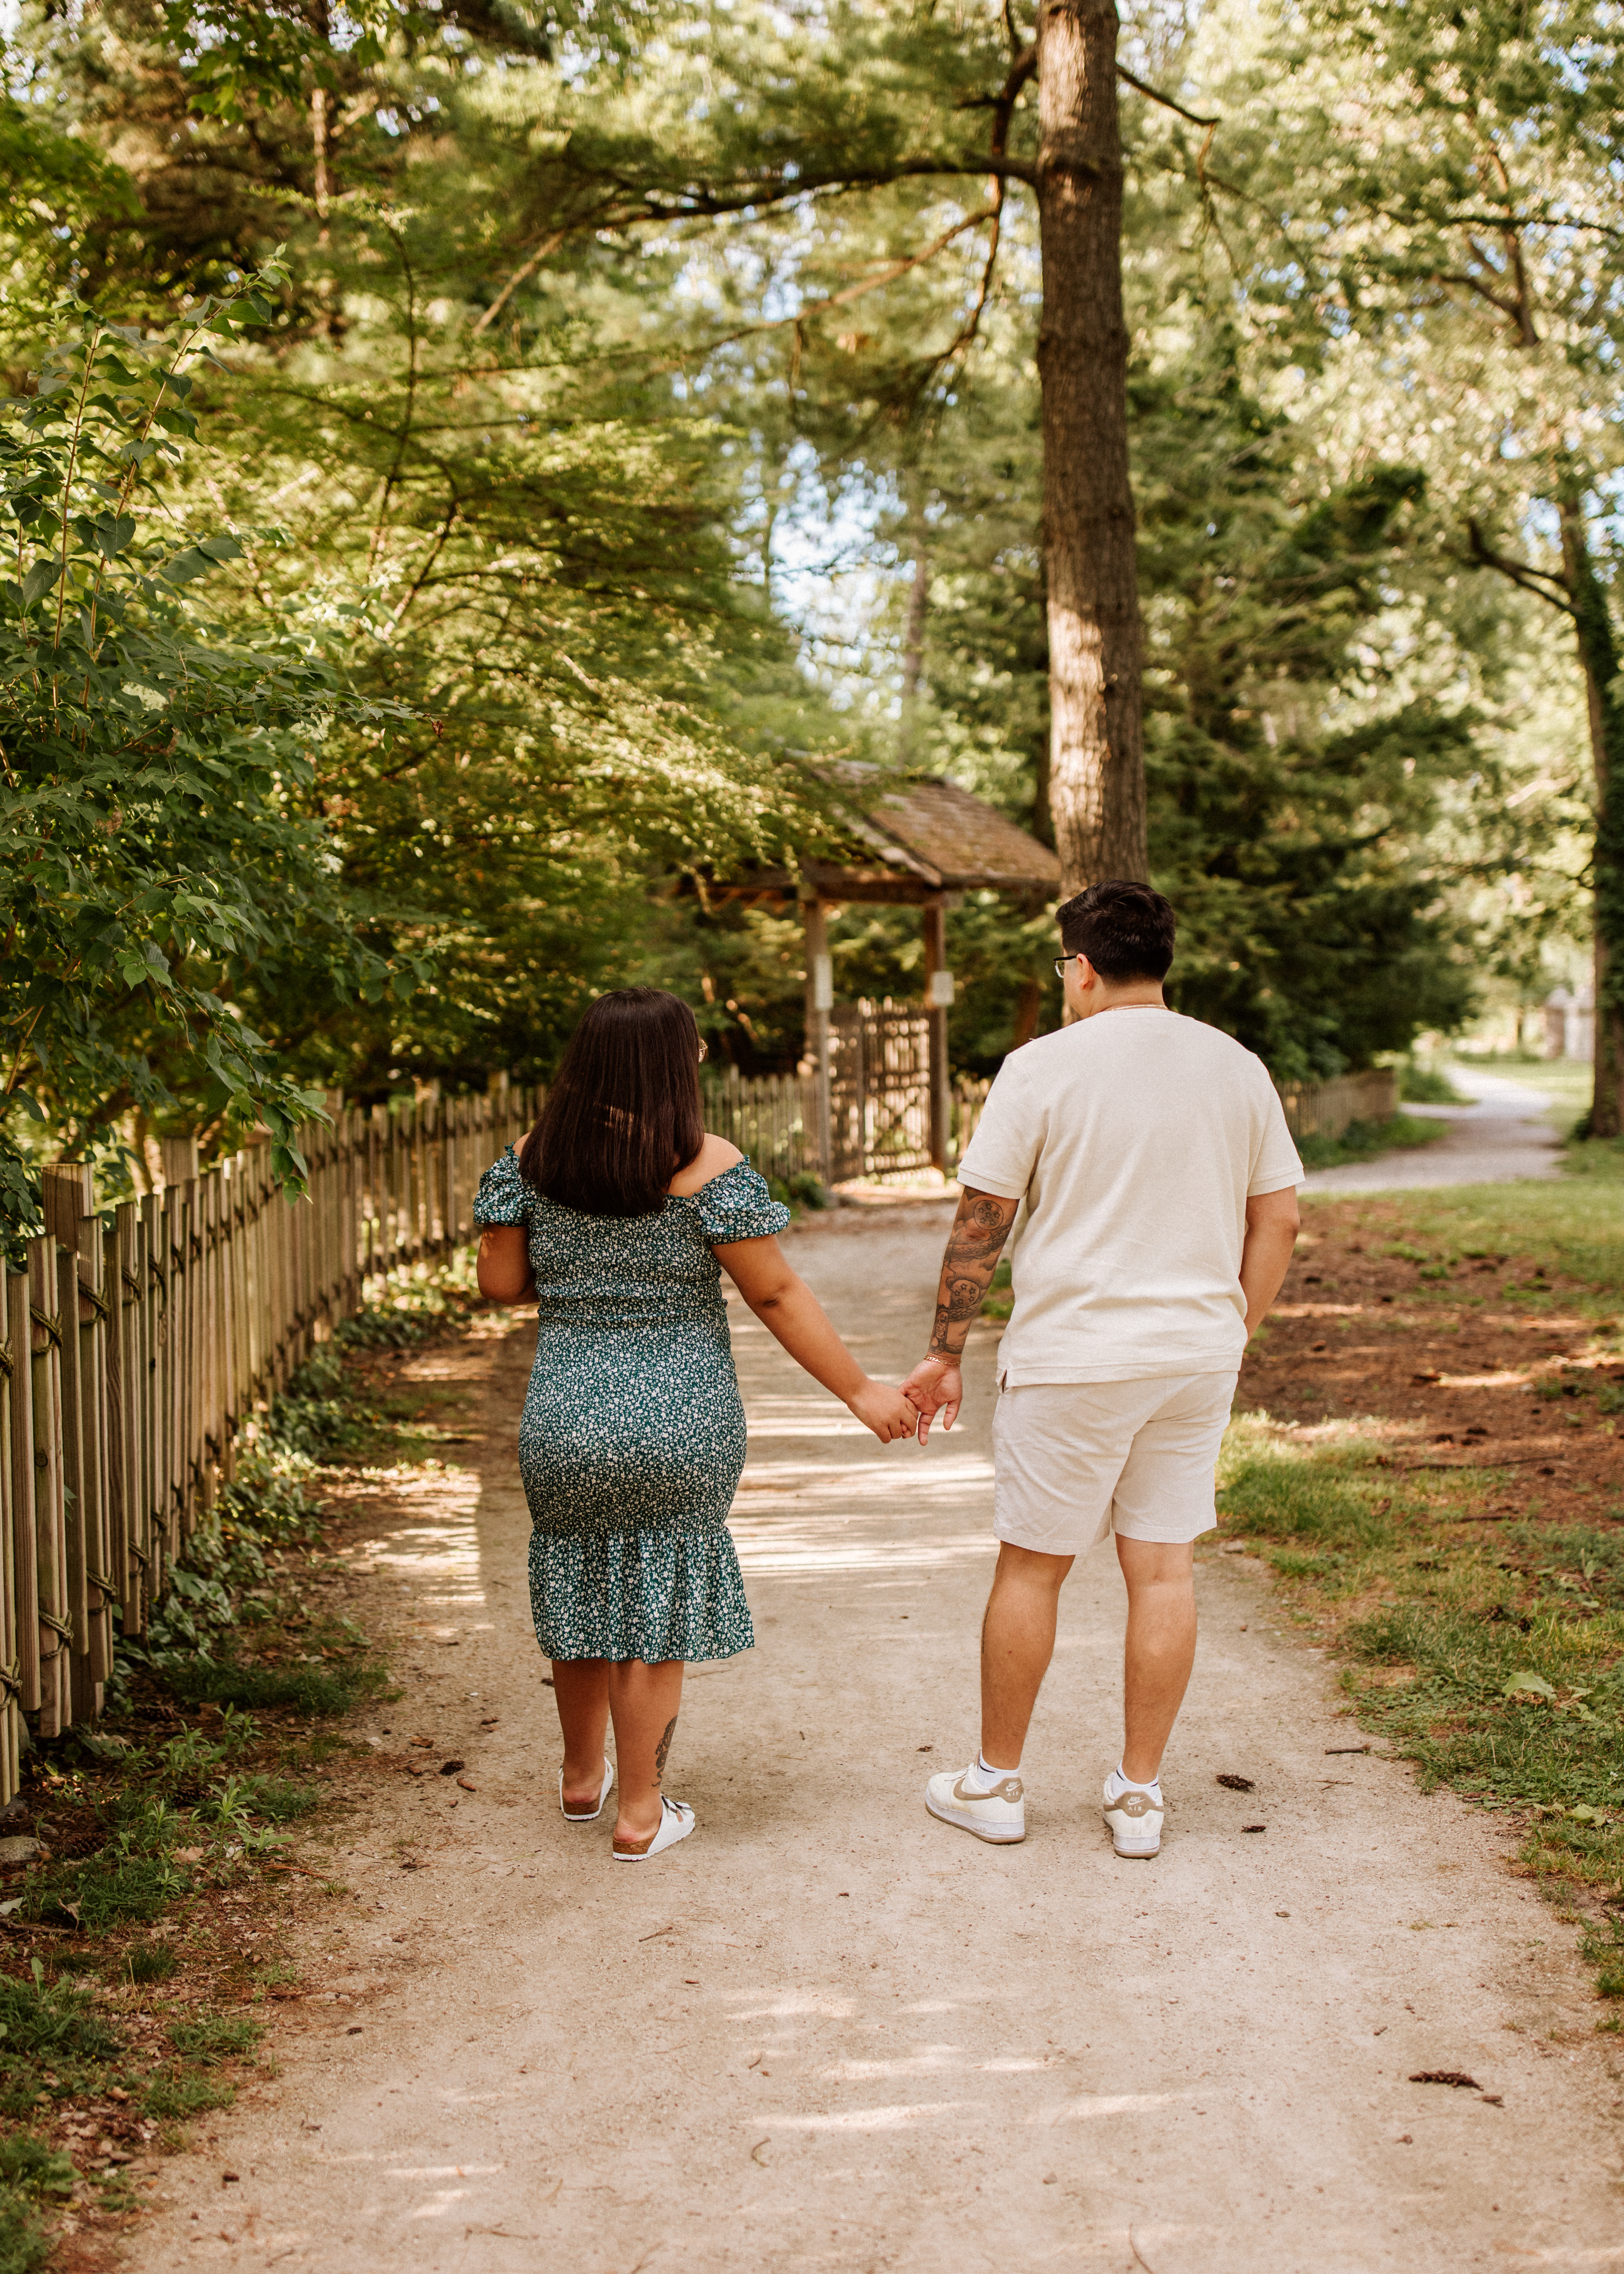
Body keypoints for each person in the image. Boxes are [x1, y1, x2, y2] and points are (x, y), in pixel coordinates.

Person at [901, 881, 1302, 1857]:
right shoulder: (1235, 1066)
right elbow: (1278, 1217)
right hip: (1192, 1354)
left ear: (1079, 967)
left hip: (1072, 1355)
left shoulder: (1038, 1068)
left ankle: (994, 1784)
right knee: (1162, 1567)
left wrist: (943, 1352)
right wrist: (1231, 1328)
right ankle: (1137, 1797)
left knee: (1033, 1568)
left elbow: (981, 1222)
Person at [474, 987, 919, 1862]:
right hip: (682, 1419)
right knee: (653, 1606)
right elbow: (775, 1292)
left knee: (578, 1583)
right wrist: (861, 1390)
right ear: (673, 1064)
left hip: (564, 1411)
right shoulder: (705, 1164)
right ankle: (640, 1813)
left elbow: (500, 1285)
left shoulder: (530, 1158)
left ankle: (579, 1777)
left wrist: (569, 1273)